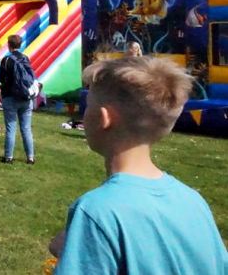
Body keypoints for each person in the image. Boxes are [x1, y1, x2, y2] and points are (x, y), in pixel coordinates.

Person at [50, 57, 228, 273]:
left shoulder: (96, 212)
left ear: (104, 118)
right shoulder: (194, 201)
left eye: (89, 107)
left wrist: (70, 252)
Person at [0, 35, 37, 164]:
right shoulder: (25, 58)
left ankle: (8, 156)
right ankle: (30, 157)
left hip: (10, 96)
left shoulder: (7, 60)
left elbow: (1, 78)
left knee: (11, 127)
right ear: (20, 44)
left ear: (9, 44)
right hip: (26, 96)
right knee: (26, 128)